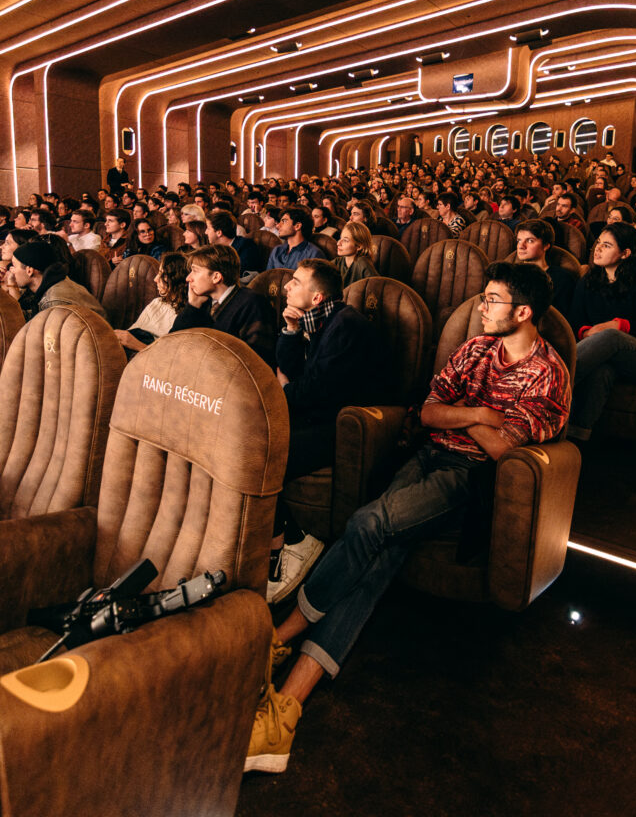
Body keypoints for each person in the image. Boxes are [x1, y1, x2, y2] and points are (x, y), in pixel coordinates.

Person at [246, 262, 570, 773]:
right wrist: (482, 415)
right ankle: (288, 708)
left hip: (468, 476)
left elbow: (507, 452)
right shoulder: (474, 349)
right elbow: (429, 412)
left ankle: (281, 636)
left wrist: (470, 419)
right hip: (427, 454)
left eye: (491, 300)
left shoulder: (549, 373)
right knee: (384, 551)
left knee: (368, 524)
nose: (481, 308)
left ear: (523, 312)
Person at [266, 258, 386, 605]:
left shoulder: (345, 325)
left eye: (296, 282)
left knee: (268, 454)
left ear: (317, 297)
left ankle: (292, 542)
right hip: (320, 414)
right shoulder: (321, 320)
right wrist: (289, 331)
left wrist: (286, 390)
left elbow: (313, 390)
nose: (287, 286)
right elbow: (292, 372)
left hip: (348, 425)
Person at [567, 222, 636, 441]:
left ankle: (553, 384)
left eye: (607, 245)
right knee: (602, 371)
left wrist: (617, 325)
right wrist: (586, 333)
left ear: (625, 253)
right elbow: (574, 322)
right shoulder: (587, 281)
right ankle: (577, 436)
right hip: (602, 354)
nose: (598, 249)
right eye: (598, 243)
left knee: (611, 336)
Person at [171, 244, 275, 365]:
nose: (188, 278)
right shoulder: (203, 301)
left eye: (195, 271)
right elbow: (174, 341)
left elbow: (254, 362)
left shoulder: (254, 304)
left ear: (216, 277)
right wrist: (192, 306)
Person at [7, 240, 108, 322]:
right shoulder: (56, 283)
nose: (11, 271)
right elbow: (34, 318)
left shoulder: (54, 301)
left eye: (14, 266)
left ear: (29, 270)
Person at [113, 252, 189, 353]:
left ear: (175, 279)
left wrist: (137, 345)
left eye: (162, 274)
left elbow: (167, 357)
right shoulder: (157, 302)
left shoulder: (185, 316)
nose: (155, 279)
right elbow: (133, 332)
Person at [515, 220, 577, 318]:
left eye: (530, 241)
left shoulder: (562, 279)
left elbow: (558, 321)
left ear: (546, 245)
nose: (521, 246)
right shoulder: (510, 275)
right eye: (519, 240)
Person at [205, 209, 257, 274]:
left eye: (208, 228)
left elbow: (238, 275)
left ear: (219, 232)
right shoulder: (214, 248)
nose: (205, 232)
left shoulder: (246, 247)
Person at [335, 221, 378, 288]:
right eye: (340, 238)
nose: (338, 243)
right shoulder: (338, 261)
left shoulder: (363, 263)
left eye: (345, 240)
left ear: (358, 246)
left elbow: (376, 288)